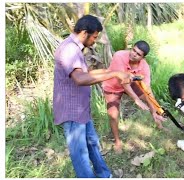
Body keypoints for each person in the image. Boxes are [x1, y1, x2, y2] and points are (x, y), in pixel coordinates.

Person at [53, 15, 133, 178]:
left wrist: (112, 73)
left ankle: (104, 174)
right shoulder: (69, 49)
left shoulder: (74, 48)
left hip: (81, 109)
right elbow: (80, 79)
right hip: (72, 111)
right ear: (84, 33)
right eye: (94, 37)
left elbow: (85, 73)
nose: (95, 41)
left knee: (92, 143)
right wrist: (115, 73)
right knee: (80, 153)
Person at [102, 40, 166, 153]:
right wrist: (136, 99)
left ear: (143, 57)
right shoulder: (119, 56)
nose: (133, 54)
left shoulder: (144, 66)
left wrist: (154, 110)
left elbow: (147, 89)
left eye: (138, 54)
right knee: (113, 115)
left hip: (129, 83)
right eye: (133, 50)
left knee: (148, 98)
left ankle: (158, 122)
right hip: (113, 85)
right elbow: (124, 83)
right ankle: (117, 142)